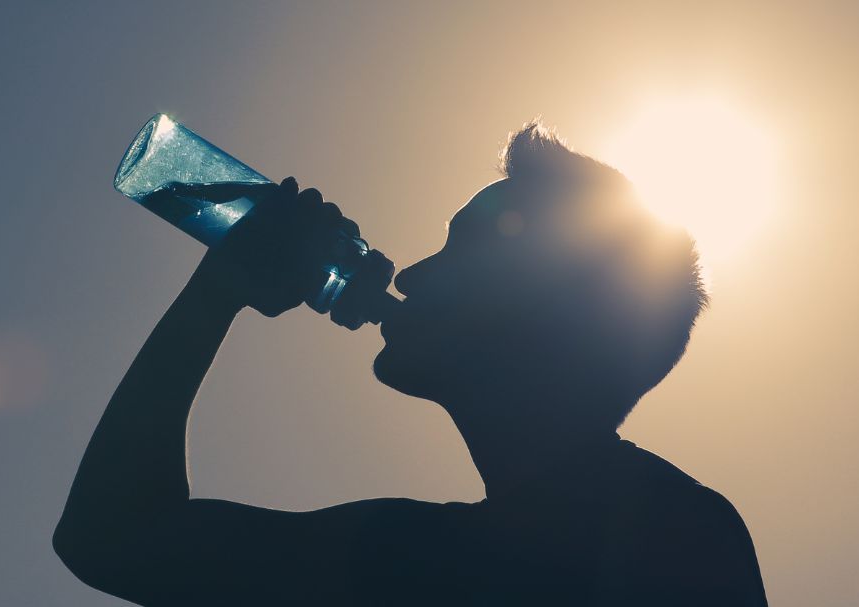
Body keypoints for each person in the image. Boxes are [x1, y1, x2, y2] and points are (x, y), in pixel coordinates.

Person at [53, 123, 767, 606]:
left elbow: (113, 537)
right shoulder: (419, 550)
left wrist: (214, 298)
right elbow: (109, 538)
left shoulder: (668, 535)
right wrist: (218, 290)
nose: (414, 274)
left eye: (461, 250)